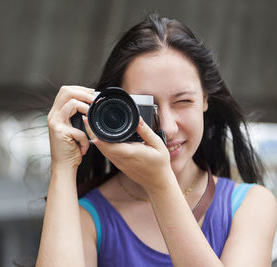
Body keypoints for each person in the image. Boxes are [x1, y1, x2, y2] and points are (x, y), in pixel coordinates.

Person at [36, 13, 277, 266]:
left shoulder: (250, 205)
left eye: (183, 101)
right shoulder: (88, 215)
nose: (168, 128)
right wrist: (63, 167)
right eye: (146, 107)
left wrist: (160, 184)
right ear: (115, 111)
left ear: (205, 99)